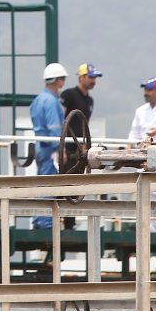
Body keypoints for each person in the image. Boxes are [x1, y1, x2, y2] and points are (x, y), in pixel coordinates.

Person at [30, 62, 67, 229]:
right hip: (49, 149)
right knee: (49, 183)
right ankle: (45, 223)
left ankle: (38, 219)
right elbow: (55, 129)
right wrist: (60, 150)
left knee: (40, 182)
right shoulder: (51, 102)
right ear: (58, 81)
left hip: (40, 147)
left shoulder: (38, 100)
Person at [61, 63, 102, 138]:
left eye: (95, 78)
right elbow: (59, 117)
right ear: (81, 77)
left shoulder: (90, 100)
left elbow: (86, 124)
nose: (93, 81)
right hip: (67, 142)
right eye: (90, 77)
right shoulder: (69, 94)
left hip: (81, 143)